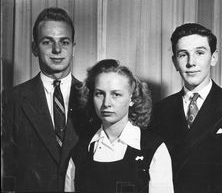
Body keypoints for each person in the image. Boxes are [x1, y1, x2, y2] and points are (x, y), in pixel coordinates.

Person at [150, 23, 222, 193]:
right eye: (183, 55)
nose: (191, 63)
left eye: (200, 53)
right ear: (174, 62)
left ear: (213, 57)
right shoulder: (159, 110)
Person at [1, 7, 92, 192]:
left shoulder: (93, 98)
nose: (57, 49)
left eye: (64, 42)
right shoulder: (11, 99)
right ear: (35, 48)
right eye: (47, 42)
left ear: (73, 48)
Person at [65, 59, 174, 193]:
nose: (106, 103)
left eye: (116, 94)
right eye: (100, 93)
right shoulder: (80, 152)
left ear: (132, 98)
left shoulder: (153, 148)